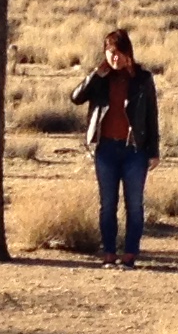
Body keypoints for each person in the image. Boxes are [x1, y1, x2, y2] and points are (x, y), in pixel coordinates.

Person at [69, 27, 160, 268]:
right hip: (106, 150)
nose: (114, 58)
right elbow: (76, 97)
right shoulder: (101, 78)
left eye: (118, 53)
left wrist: (154, 151)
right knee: (107, 204)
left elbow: (152, 115)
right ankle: (109, 252)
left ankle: (130, 254)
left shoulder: (142, 79)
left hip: (134, 151)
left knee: (135, 204)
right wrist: (95, 74)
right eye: (110, 53)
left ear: (127, 52)